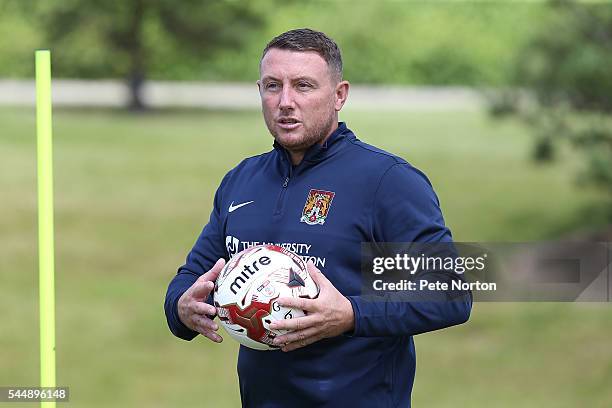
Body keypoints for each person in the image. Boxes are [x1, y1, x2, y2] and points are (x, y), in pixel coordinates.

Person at [165, 28, 471, 407]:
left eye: (304, 86)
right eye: (273, 86)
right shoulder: (242, 181)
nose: (285, 102)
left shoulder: (385, 182)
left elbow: (449, 294)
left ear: (339, 95)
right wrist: (181, 307)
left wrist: (350, 314)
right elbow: (190, 277)